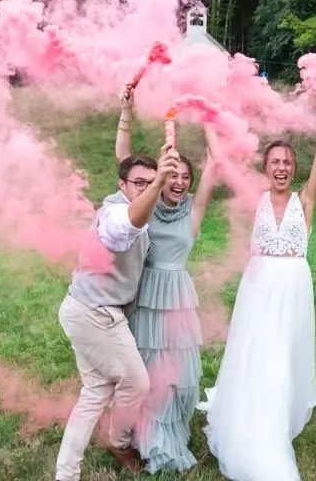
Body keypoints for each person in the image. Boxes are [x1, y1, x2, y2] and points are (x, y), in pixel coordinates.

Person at [196, 100, 316, 481]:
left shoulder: (304, 201)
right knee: (258, 351)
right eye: (275, 161)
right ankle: (254, 424)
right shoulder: (254, 199)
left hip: (293, 289)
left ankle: (276, 420)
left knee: (283, 354)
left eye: (288, 162)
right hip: (258, 289)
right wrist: (206, 117)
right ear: (266, 167)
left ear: (294, 169)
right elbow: (221, 162)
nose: (281, 167)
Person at [54, 143, 180, 481]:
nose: (146, 186)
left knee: (95, 393)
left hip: (83, 309)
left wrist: (127, 110)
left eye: (151, 181)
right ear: (122, 185)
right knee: (136, 384)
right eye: (138, 182)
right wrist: (155, 187)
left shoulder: (142, 205)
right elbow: (124, 229)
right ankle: (119, 441)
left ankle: (66, 474)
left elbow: (141, 207)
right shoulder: (114, 211)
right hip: (96, 314)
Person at [115, 92, 218, 473]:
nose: (178, 181)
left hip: (178, 300)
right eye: (172, 175)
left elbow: (217, 163)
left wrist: (206, 115)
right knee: (151, 371)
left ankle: (173, 429)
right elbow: (124, 162)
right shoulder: (146, 203)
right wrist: (126, 110)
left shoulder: (194, 210)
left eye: (185, 177)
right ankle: (149, 437)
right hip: (146, 295)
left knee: (180, 377)